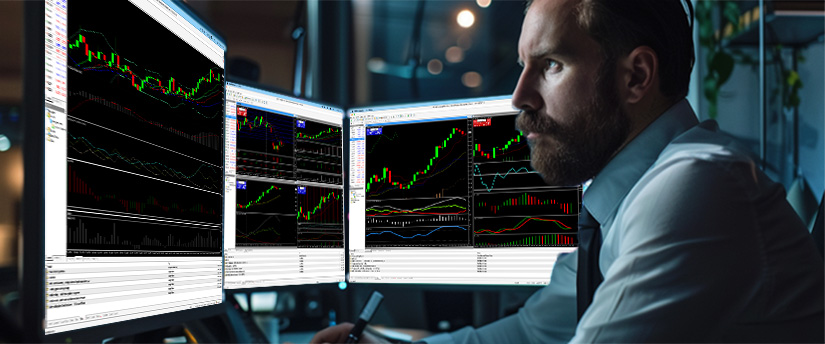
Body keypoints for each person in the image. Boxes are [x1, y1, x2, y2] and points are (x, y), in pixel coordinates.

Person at [312, 0, 825, 342]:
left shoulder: (696, 188)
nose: (519, 97)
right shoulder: (617, 206)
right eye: (523, 66)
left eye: (551, 65)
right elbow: (532, 334)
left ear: (636, 76)